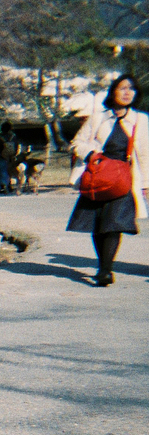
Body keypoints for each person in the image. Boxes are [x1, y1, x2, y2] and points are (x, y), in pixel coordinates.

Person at [66, 74, 149, 287]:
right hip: (98, 177)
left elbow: (146, 154)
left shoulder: (141, 120)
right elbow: (76, 143)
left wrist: (147, 185)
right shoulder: (98, 118)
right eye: (122, 88)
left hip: (124, 180)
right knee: (98, 224)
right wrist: (91, 154)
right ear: (113, 92)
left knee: (113, 225)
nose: (127, 92)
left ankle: (105, 270)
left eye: (131, 88)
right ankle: (103, 264)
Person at [0, 121, 21, 194]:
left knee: (1, 171)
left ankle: (2, 187)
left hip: (2, 156)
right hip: (11, 156)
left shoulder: (0, 137)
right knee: (9, 171)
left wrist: (0, 153)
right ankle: (9, 185)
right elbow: (16, 146)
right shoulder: (13, 137)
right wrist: (14, 154)